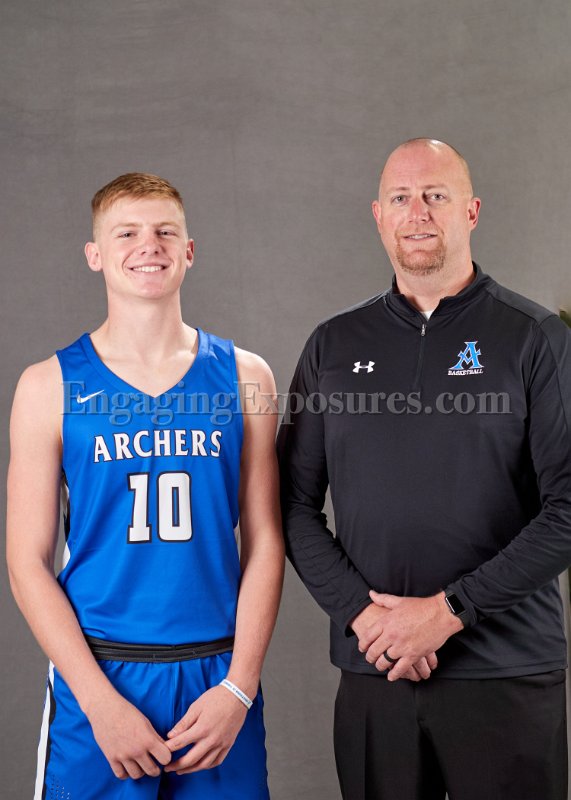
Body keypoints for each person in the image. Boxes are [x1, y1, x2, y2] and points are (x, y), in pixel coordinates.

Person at [277, 138, 571, 800]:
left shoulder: (534, 338)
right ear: (378, 215)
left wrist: (450, 611)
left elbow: (568, 507)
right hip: (375, 671)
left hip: (505, 672)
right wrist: (362, 616)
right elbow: (291, 503)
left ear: (470, 211)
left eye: (435, 195)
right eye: (401, 198)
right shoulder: (333, 344)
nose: (418, 213)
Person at [7, 172, 284, 799]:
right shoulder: (48, 385)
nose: (148, 245)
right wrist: (97, 702)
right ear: (95, 254)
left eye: (165, 231)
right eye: (126, 233)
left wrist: (240, 686)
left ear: (189, 250)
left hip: (217, 679)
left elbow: (266, 540)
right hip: (102, 674)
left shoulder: (247, 377)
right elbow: (26, 562)